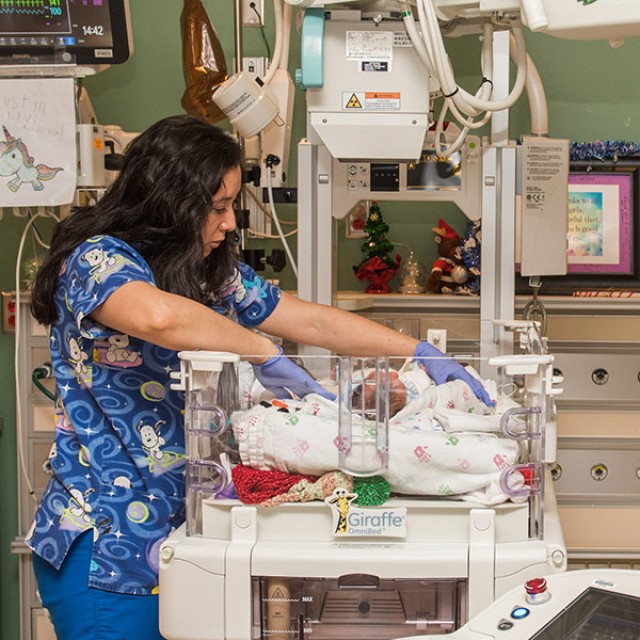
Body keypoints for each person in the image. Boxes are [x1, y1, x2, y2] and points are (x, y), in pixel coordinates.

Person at [27, 113, 492, 640]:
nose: (228, 224)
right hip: (108, 544)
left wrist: (419, 351)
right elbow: (158, 318)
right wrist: (259, 351)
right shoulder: (96, 260)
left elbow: (311, 320)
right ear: (172, 200)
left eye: (231, 206)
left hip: (179, 534)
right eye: (218, 207)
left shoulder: (202, 270)